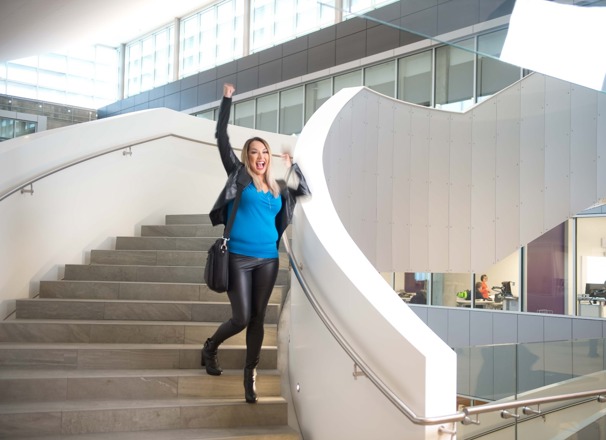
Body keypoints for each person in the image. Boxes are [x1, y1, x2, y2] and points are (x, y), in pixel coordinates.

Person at [201, 83, 311, 404]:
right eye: (255, 152)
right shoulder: (239, 175)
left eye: (265, 152)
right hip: (237, 257)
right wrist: (226, 100)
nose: (260, 157)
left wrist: (292, 166)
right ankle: (210, 347)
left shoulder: (277, 188)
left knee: (259, 320)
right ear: (247, 156)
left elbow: (302, 189)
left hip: (268, 259)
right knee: (241, 317)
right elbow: (221, 138)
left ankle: (250, 377)